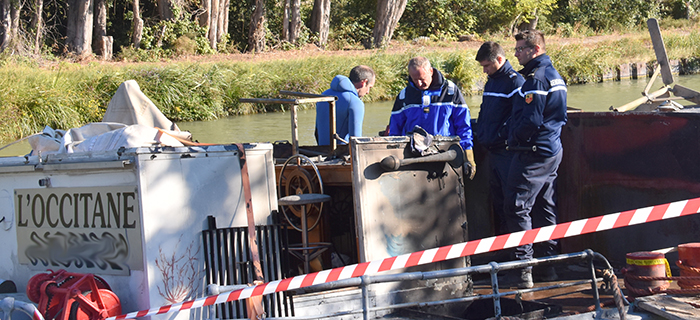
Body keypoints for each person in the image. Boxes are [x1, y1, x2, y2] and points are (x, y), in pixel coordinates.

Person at [505, 29, 568, 288]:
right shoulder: (555, 76)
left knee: (517, 205)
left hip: (533, 153)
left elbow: (531, 120)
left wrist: (514, 139)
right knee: (544, 205)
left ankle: (523, 269)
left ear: (536, 50)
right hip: (552, 149)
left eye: (521, 49)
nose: (517, 54)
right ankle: (549, 265)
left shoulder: (535, 80)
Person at [388, 56, 476, 178]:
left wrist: (468, 154)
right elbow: (395, 129)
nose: (419, 83)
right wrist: (394, 153)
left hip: (445, 153)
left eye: (422, 78)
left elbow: (463, 125)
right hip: (413, 156)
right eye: (414, 79)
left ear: (430, 71)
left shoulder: (450, 91)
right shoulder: (404, 95)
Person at [474, 42, 525, 236]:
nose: (485, 71)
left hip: (507, 152)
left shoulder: (515, 82)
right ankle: (504, 245)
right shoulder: (491, 82)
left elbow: (518, 117)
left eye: (487, 65)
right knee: (498, 201)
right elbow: (485, 110)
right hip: (492, 150)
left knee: (511, 202)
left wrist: (501, 136)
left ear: (500, 60)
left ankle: (517, 248)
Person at [315, 65, 376, 146]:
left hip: (320, 151)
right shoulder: (355, 102)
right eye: (369, 87)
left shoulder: (324, 95)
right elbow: (356, 140)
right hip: (340, 154)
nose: (368, 92)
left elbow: (316, 132)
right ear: (363, 82)